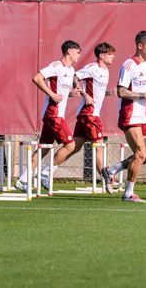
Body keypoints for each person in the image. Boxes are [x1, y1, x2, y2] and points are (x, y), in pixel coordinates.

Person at [37, 42, 119, 192]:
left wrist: (108, 93)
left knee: (75, 146)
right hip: (89, 114)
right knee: (99, 147)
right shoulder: (92, 68)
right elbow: (75, 77)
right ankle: (107, 180)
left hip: (88, 114)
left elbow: (96, 93)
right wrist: (84, 94)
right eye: (110, 54)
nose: (113, 57)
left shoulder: (106, 71)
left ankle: (48, 170)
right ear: (101, 55)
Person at [16, 40, 83, 191]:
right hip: (53, 114)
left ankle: (23, 180)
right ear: (69, 51)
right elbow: (37, 78)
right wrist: (51, 94)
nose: (79, 55)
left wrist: (72, 93)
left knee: (44, 148)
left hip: (56, 115)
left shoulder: (71, 70)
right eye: (78, 52)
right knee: (70, 145)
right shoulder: (56, 66)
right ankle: (46, 172)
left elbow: (62, 92)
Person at [106, 30, 146, 203]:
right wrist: (144, 95)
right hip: (131, 114)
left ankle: (111, 170)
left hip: (144, 115)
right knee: (140, 154)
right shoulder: (129, 65)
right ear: (140, 46)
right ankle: (128, 194)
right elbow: (121, 91)